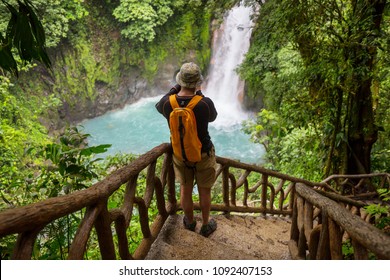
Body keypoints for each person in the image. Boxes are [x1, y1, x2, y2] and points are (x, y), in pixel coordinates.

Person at [155, 62, 218, 237]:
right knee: (205, 191)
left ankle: (189, 222)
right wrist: (200, 94)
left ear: (180, 80)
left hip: (180, 155)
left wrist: (175, 89)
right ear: (198, 82)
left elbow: (158, 105)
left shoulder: (169, 103)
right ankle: (206, 225)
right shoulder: (204, 103)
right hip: (203, 153)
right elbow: (213, 117)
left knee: (185, 189)